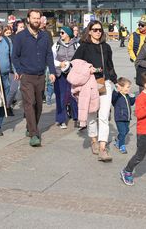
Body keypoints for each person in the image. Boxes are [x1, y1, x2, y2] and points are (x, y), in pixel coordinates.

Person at [72, 19, 117, 162]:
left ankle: (103, 148)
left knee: (104, 115)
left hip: (105, 82)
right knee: (92, 113)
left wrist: (115, 81)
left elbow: (110, 65)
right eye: (95, 30)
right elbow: (75, 64)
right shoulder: (83, 47)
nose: (98, 32)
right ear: (89, 31)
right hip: (90, 83)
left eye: (100, 30)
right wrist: (88, 69)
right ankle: (93, 140)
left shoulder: (106, 47)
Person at [12, 9, 56, 147]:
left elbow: (49, 54)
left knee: (38, 106)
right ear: (28, 19)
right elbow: (15, 56)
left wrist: (53, 72)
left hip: (40, 75)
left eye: (38, 18)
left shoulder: (45, 36)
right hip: (26, 76)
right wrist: (19, 71)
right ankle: (34, 134)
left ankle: (30, 127)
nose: (36, 20)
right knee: (29, 103)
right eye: (34, 18)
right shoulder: (20, 37)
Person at [52, 26, 80, 128]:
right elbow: (51, 59)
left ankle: (77, 118)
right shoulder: (56, 45)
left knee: (74, 96)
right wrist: (60, 64)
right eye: (60, 33)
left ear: (68, 34)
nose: (60, 34)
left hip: (73, 74)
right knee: (61, 97)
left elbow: (81, 58)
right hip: (60, 74)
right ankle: (61, 119)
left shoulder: (76, 44)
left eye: (62, 33)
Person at [111, 77, 135, 153]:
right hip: (119, 118)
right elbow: (113, 99)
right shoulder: (117, 96)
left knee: (126, 130)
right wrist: (116, 90)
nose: (129, 89)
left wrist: (132, 97)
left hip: (127, 118)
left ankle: (118, 139)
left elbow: (131, 103)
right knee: (122, 132)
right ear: (121, 87)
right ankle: (121, 146)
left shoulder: (127, 95)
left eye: (129, 87)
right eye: (127, 87)